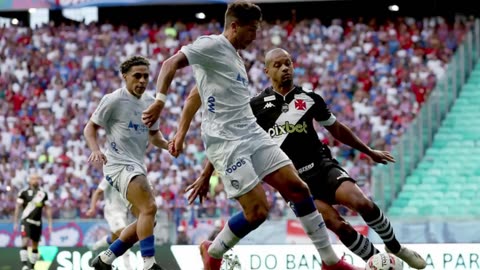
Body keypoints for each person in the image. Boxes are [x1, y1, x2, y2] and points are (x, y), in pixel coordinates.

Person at [143, 2, 360, 270]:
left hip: (251, 133)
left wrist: (181, 131)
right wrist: (160, 101)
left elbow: (196, 94)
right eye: (252, 29)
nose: (255, 36)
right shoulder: (210, 45)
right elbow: (170, 63)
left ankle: (329, 261)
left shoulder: (234, 56)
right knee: (258, 212)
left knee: (298, 189)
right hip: (226, 142)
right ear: (235, 26)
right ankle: (212, 251)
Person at [175, 48, 427, 269]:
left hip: (323, 167)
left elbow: (337, 129)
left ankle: (395, 248)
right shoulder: (255, 106)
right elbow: (231, 138)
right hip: (294, 183)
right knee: (339, 226)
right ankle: (377, 264)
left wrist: (368, 151)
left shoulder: (309, 99)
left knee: (361, 202)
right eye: (278, 65)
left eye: (288, 63)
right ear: (266, 71)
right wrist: (206, 174)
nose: (285, 68)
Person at [84, 55, 169, 270]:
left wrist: (169, 145)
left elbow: (154, 136)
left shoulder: (151, 103)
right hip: (117, 164)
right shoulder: (113, 99)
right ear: (125, 76)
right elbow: (90, 128)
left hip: (137, 165)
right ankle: (149, 264)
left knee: (147, 219)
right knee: (150, 207)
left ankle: (105, 259)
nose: (142, 81)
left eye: (146, 77)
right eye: (137, 76)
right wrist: (95, 150)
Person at [86, 178, 133, 270]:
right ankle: (128, 267)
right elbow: (98, 192)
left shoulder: (127, 177)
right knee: (126, 237)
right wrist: (92, 208)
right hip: (113, 212)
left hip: (123, 213)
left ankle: (96, 246)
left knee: (115, 238)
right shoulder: (111, 176)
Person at [13, 174, 53, 270]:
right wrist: (15, 221)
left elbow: (47, 209)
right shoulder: (23, 192)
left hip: (37, 223)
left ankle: (32, 267)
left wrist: (50, 223)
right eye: (33, 179)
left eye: (37, 179)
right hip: (26, 220)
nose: (35, 180)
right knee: (25, 241)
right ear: (29, 180)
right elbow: (17, 207)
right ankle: (24, 265)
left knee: (35, 245)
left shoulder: (43, 193)